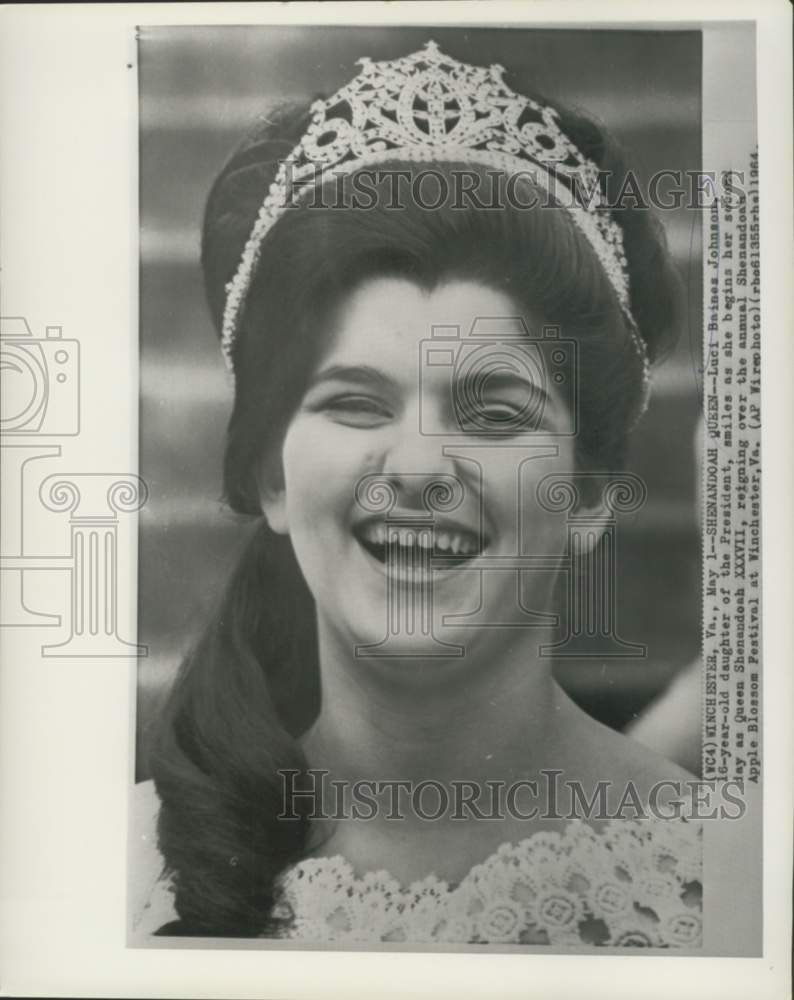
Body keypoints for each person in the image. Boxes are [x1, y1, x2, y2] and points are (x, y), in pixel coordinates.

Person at [133, 41, 703, 947]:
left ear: (589, 496)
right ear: (274, 479)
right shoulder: (126, 873)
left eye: (492, 413)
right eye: (357, 402)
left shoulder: (719, 877)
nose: (419, 467)